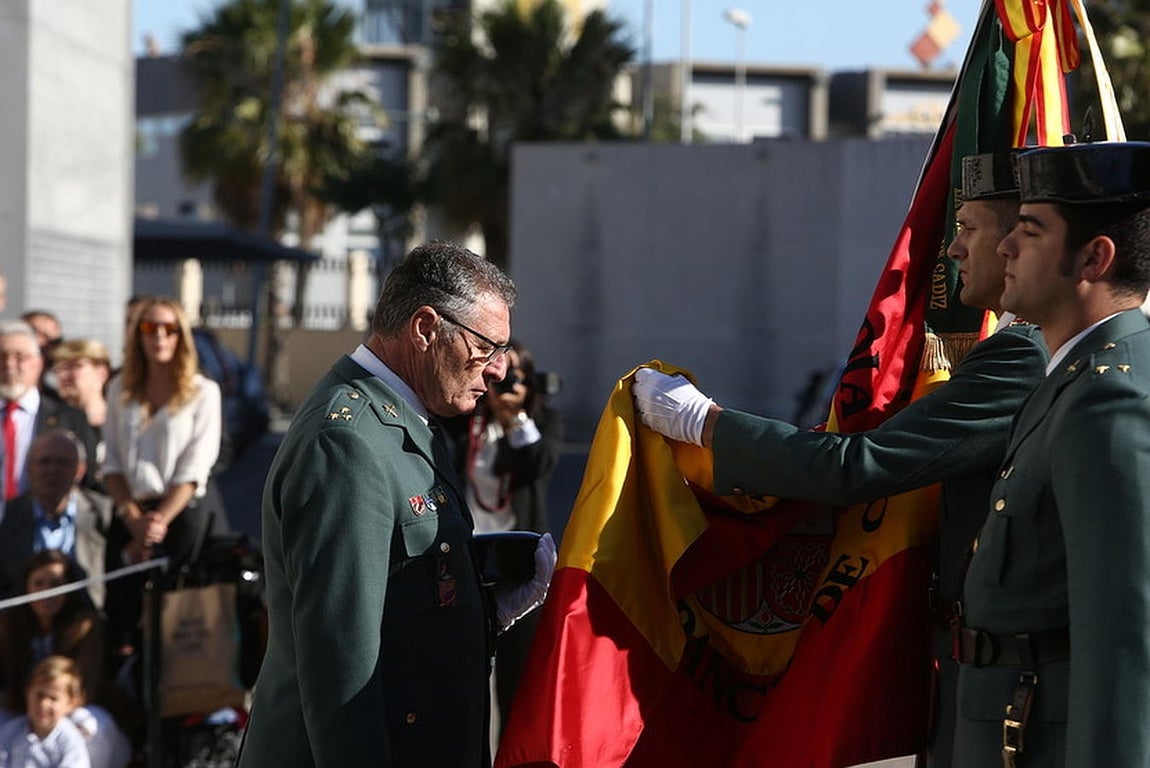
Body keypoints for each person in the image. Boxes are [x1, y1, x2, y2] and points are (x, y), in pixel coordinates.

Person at [630, 151, 1049, 768]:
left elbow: (859, 466)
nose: (953, 249)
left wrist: (704, 423)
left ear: (1015, 242)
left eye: (968, 229)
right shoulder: (1019, 346)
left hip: (1005, 680)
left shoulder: (1020, 354)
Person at [236, 241, 557, 767]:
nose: (499, 370)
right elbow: (342, 670)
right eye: (486, 347)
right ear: (426, 328)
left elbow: (402, 597)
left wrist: (483, 612)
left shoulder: (408, 421)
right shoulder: (348, 442)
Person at [947, 141, 1150, 766]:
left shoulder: (1105, 400)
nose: (1004, 245)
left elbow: (1123, 642)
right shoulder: (1075, 379)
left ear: (1094, 256)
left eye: (1029, 232)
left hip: (1037, 737)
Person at [444, 340, 563, 744]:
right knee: (462, 678)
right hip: (468, 560)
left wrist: (516, 420)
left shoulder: (543, 426)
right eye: (498, 375)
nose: (506, 384)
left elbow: (538, 464)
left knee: (518, 681)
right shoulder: (465, 423)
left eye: (517, 377)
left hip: (520, 567)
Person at [102, 296, 221, 568]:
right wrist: (134, 522)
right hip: (128, 512)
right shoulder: (120, 389)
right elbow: (111, 460)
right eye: (149, 328)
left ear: (181, 335)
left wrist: (157, 524)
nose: (159, 335)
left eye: (169, 328)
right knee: (121, 603)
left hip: (179, 514)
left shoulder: (203, 392)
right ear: (137, 334)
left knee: (175, 606)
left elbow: (195, 467)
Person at [0, 431, 112, 611]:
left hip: (87, 623)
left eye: (62, 462)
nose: (52, 469)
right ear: (28, 469)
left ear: (80, 469)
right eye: (45, 462)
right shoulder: (6, 516)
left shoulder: (104, 514)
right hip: (20, 626)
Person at [0, 322, 100, 521]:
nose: (10, 365)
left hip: (44, 532)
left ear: (38, 364)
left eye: (20, 357)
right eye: (2, 357)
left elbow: (90, 481)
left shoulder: (70, 418)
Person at [0, 551, 105, 719]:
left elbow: (87, 686)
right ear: (27, 587)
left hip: (69, 709)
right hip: (19, 710)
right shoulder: (8, 624)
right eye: (38, 584)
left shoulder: (85, 627)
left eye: (55, 585)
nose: (46, 592)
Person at [0, 656, 91, 768]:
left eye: (53, 698)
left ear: (70, 704)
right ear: (27, 692)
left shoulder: (71, 742)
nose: (43, 704)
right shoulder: (10, 732)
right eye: (39, 695)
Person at [50, 341, 111, 440]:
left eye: (74, 366)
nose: (63, 375)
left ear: (101, 374)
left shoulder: (119, 421)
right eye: (58, 369)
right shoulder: (50, 423)